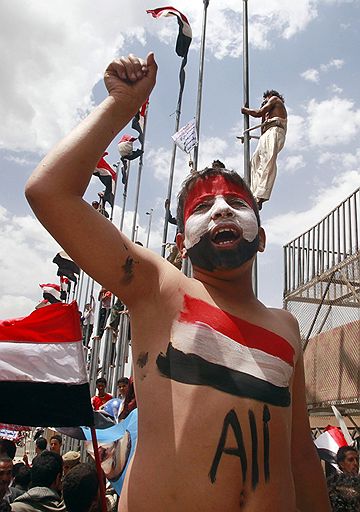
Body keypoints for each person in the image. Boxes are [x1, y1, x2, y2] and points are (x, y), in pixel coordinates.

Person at [25, 53, 330, 511]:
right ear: (183, 246)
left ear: (261, 238)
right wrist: (121, 105)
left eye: (235, 202)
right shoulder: (158, 289)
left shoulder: (287, 327)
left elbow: (300, 456)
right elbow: (48, 191)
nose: (222, 209)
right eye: (203, 208)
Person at [241, 90, 287, 210]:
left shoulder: (275, 99)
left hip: (274, 131)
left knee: (267, 162)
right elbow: (262, 128)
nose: (264, 101)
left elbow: (258, 112)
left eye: (265, 99)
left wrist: (245, 110)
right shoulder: (268, 113)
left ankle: (260, 197)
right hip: (266, 134)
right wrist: (263, 116)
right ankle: (252, 193)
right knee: (254, 163)